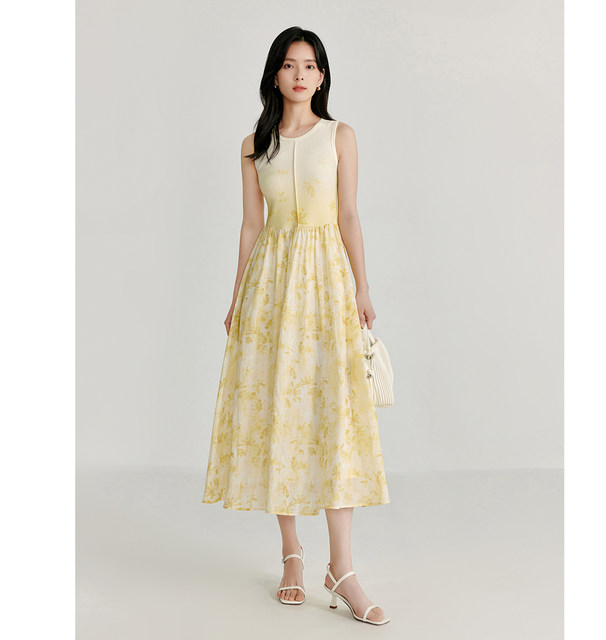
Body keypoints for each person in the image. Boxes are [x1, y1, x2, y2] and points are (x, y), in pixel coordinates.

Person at [202, 26, 391, 625]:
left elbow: (350, 214)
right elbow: (251, 226)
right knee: (278, 411)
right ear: (275, 75)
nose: (300, 74)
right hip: (271, 285)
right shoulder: (253, 145)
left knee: (335, 414)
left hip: (327, 280)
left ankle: (343, 569)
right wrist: (237, 297)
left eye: (310, 65)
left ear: (322, 75)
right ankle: (291, 555)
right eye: (289, 65)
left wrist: (362, 287)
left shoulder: (340, 136)